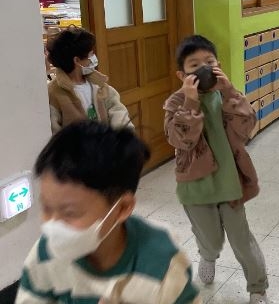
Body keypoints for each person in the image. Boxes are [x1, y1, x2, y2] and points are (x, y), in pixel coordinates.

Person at [16, 121, 201, 304]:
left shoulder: (162, 264)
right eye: (47, 208)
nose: (53, 225)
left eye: (70, 213)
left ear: (122, 208)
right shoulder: (46, 253)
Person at [164, 35, 269, 304]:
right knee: (210, 238)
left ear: (218, 66)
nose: (204, 68)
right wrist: (190, 102)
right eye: (194, 65)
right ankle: (207, 255)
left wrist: (230, 92)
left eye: (209, 62)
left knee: (242, 240)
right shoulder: (176, 102)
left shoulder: (227, 96)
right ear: (182, 75)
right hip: (196, 185)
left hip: (230, 181)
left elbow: (247, 127)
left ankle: (258, 289)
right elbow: (181, 140)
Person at [46, 27, 132, 133]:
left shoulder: (99, 84)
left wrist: (121, 138)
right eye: (91, 54)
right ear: (77, 60)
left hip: (106, 142)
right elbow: (55, 132)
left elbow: (118, 112)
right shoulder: (54, 93)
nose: (94, 57)